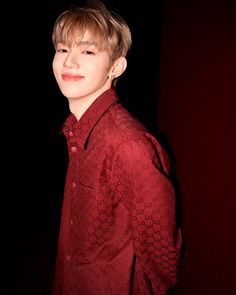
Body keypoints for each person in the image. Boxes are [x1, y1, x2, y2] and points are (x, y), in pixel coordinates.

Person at [51, 1, 182, 294]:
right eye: (62, 49)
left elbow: (163, 261)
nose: (69, 62)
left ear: (116, 66)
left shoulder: (128, 145)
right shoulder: (77, 130)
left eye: (87, 51)